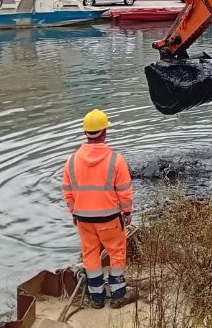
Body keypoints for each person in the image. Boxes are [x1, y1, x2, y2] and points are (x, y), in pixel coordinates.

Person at [62, 109, 137, 309]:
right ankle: (118, 295)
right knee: (116, 253)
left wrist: (74, 214)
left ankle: (97, 298)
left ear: (86, 133)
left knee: (90, 255)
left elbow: (67, 193)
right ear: (104, 132)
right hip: (110, 219)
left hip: (83, 220)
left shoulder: (71, 161)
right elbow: (125, 191)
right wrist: (127, 213)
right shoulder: (116, 159)